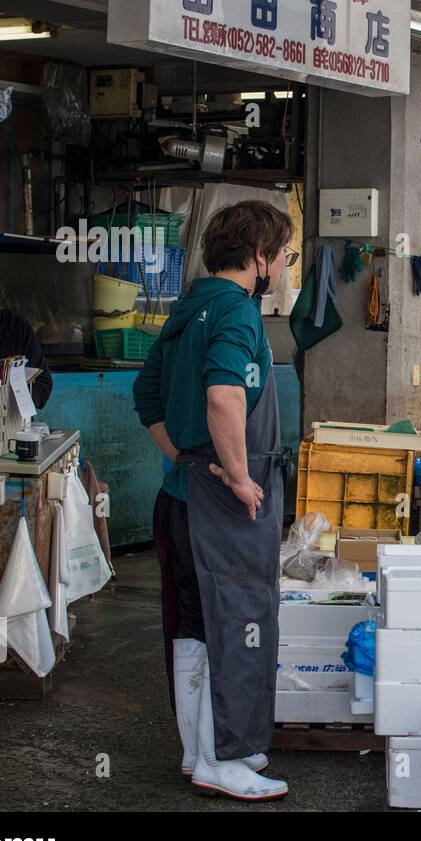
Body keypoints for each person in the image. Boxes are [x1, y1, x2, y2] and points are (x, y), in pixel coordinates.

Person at [133, 200, 294, 801]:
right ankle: (222, 758)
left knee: (197, 626)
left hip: (179, 499)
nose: (281, 264)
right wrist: (235, 475)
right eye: (281, 254)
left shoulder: (189, 307)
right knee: (237, 625)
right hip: (219, 509)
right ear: (258, 258)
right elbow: (224, 397)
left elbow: (146, 395)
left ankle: (198, 752)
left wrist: (184, 460)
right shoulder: (236, 312)